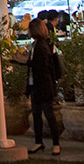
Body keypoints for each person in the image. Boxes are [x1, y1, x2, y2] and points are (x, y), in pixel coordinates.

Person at [27, 18, 62, 155]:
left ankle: (54, 144)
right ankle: (39, 142)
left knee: (48, 115)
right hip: (38, 85)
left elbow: (41, 67)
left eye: (29, 29)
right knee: (38, 115)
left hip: (42, 86)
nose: (27, 32)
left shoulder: (41, 46)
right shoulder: (38, 45)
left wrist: (24, 62)